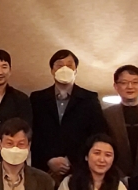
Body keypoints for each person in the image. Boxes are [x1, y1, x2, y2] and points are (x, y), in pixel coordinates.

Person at [29, 49, 107, 183]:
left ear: (76, 70)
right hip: (43, 169)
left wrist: (70, 160)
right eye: (59, 65)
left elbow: (96, 134)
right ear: (52, 70)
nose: (64, 69)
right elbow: (33, 133)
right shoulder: (37, 99)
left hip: (78, 169)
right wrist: (49, 159)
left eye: (69, 65)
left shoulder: (89, 99)